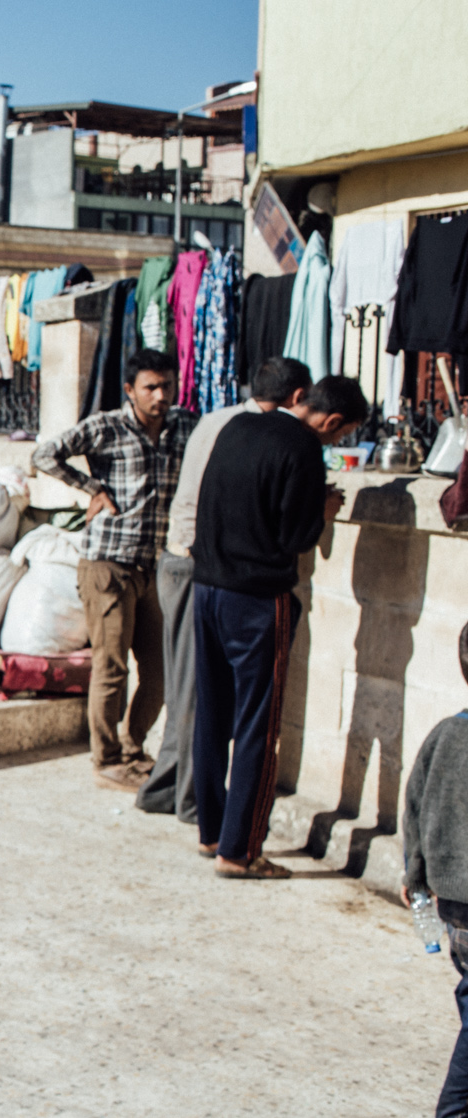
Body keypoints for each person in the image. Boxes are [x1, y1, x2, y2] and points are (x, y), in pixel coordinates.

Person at [190, 375, 363, 877]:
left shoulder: (238, 425)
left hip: (208, 588)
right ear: (331, 421)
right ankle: (239, 850)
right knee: (258, 727)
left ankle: (211, 831)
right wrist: (324, 510)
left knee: (213, 713)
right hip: (258, 597)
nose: (335, 441)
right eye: (340, 433)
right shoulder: (305, 448)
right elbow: (296, 534)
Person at [138, 357, 312, 823]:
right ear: (297, 397)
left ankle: (165, 788)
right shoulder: (255, 431)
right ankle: (194, 802)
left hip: (179, 560)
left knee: (186, 686)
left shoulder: (219, 420)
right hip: (204, 568)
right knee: (201, 694)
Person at [32, 348, 196, 792]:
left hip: (154, 564)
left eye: (167, 385)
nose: (161, 395)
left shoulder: (184, 427)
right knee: (112, 667)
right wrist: (92, 488)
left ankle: (133, 747)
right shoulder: (107, 426)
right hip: (108, 564)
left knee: (161, 668)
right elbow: (45, 455)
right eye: (151, 387)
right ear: (131, 390)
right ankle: (105, 759)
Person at [400, 622, 468, 1118]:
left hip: (451, 902)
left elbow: (415, 808)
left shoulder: (444, 734)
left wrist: (415, 876)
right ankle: (456, 1114)